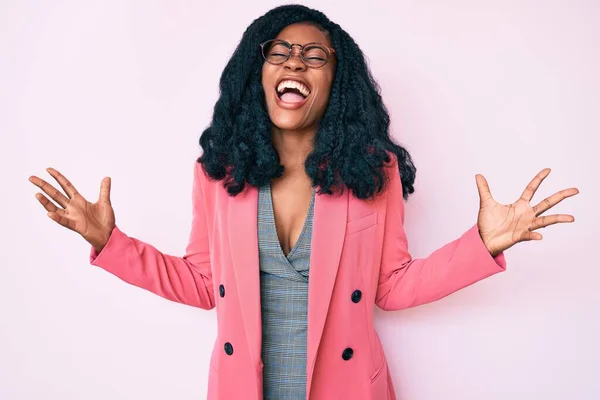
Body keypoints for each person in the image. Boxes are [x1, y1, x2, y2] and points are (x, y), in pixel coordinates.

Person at [28, 4, 579, 400]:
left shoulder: (371, 173)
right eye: (281, 53)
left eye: (315, 56)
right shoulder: (219, 173)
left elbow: (393, 285)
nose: (295, 64)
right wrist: (109, 243)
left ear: (337, 81)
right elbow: (203, 283)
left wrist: (482, 244)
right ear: (258, 71)